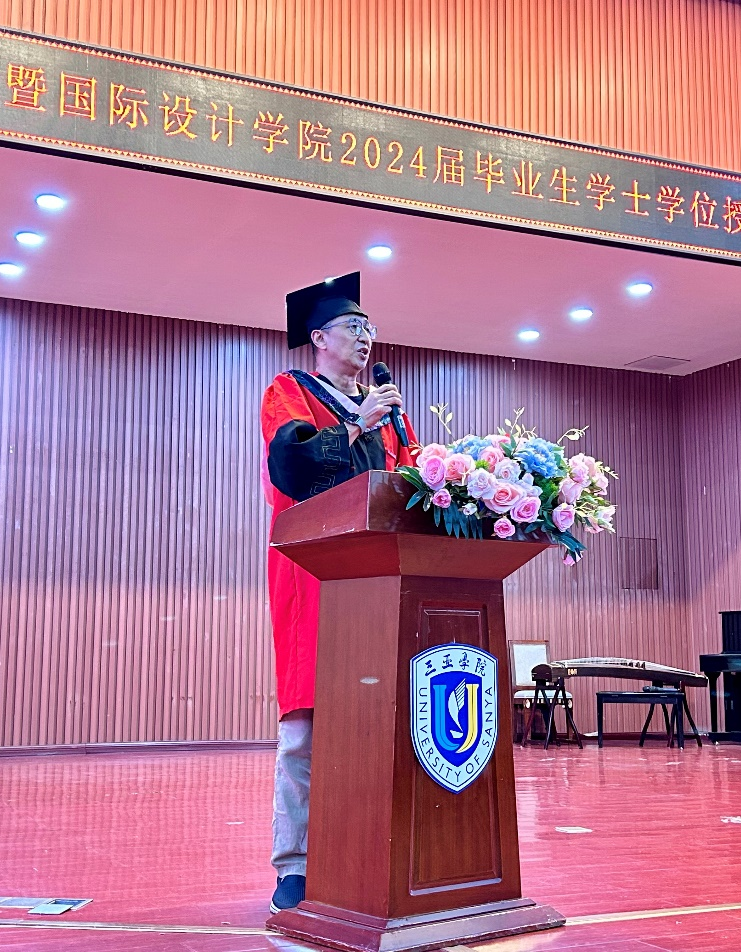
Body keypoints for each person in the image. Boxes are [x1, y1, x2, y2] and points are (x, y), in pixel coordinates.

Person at [259, 272, 417, 914]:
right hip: (313, 574)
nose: (365, 337)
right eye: (353, 326)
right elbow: (290, 467)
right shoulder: (290, 391)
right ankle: (294, 864)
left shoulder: (390, 412)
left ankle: (372, 854)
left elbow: (408, 483)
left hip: (382, 579)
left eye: (369, 327)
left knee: (380, 720)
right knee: (307, 726)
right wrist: (357, 422)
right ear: (319, 338)